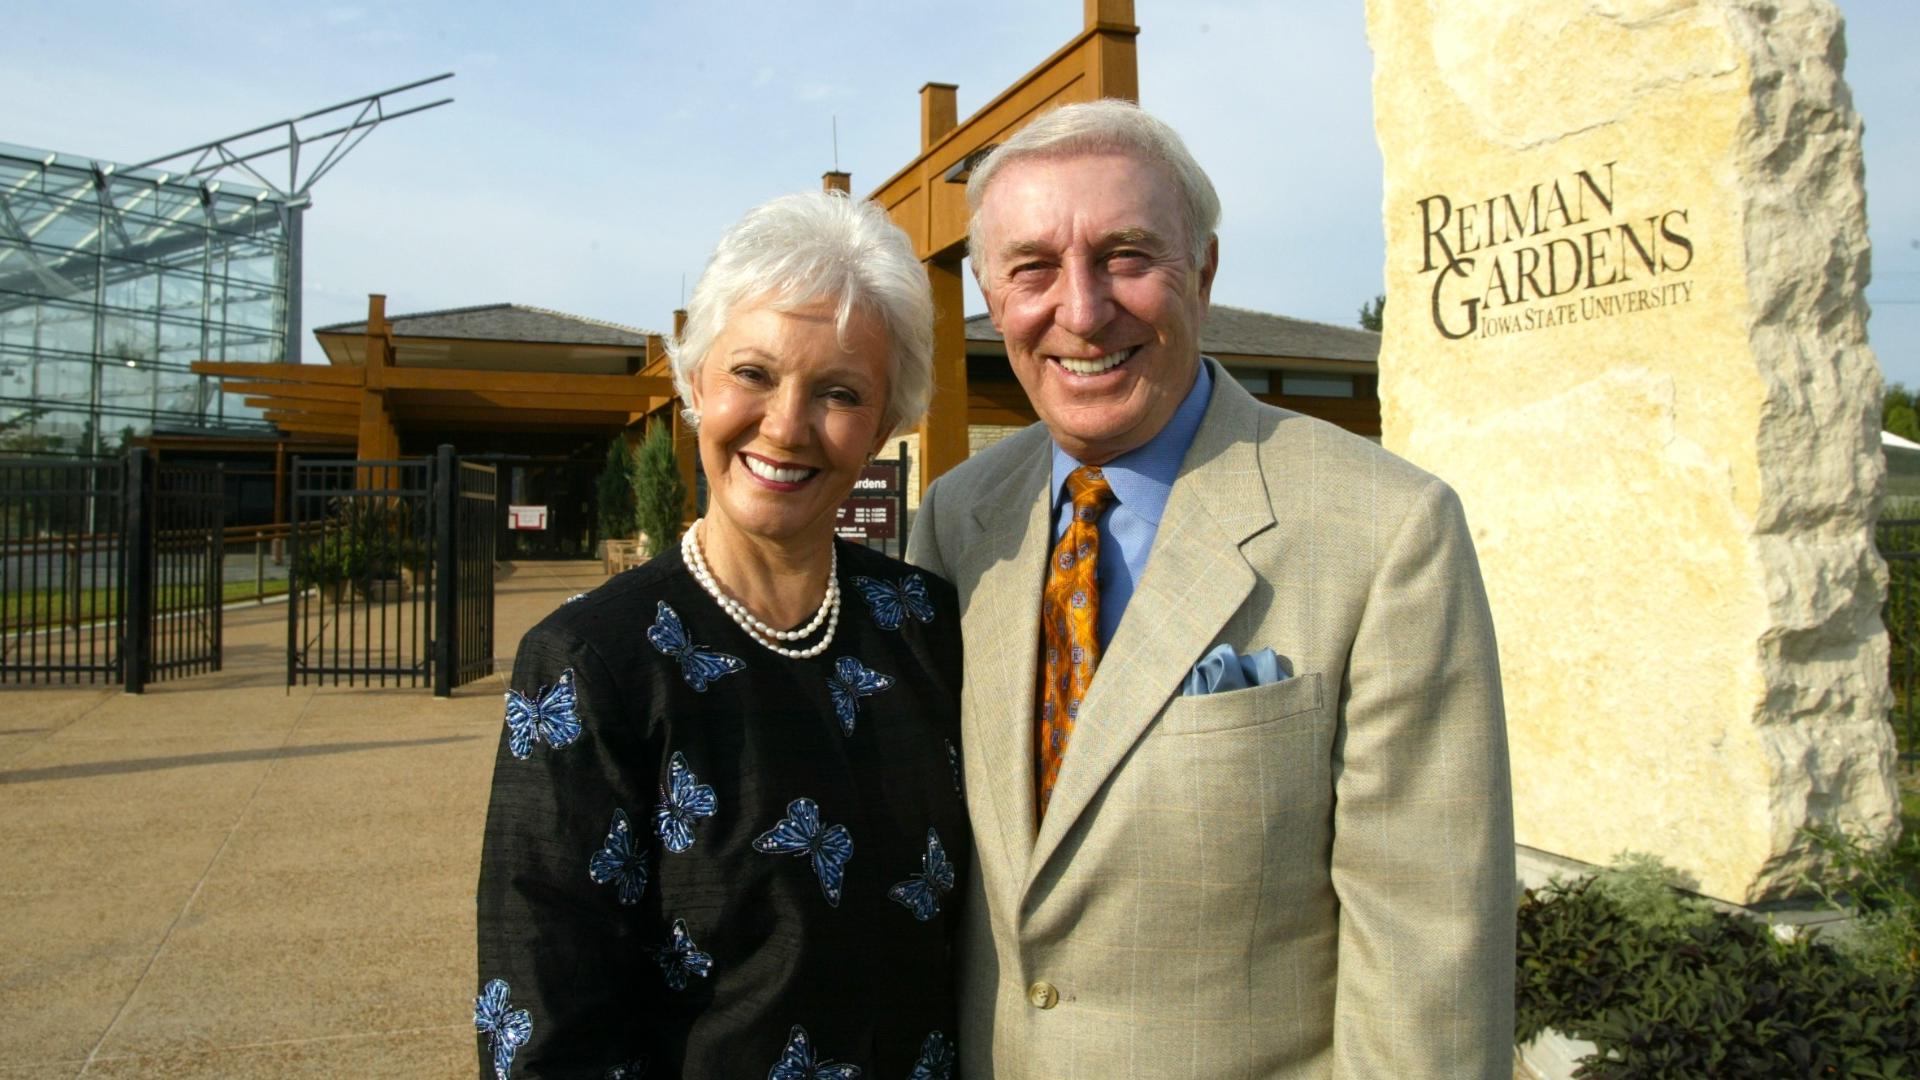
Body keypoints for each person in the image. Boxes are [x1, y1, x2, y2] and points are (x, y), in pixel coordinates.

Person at [907, 100, 1515, 1079]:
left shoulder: (1387, 530)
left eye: (1127, 255)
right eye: (1032, 269)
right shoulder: (956, 522)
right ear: (990, 289)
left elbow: (1425, 954)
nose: (1082, 309)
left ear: (1206, 271)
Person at [476, 191, 967, 1080]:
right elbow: (547, 1025)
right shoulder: (593, 665)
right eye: (753, 374)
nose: (785, 425)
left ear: (888, 424)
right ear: (694, 382)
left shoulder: (928, 627)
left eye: (840, 392)